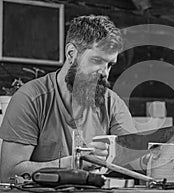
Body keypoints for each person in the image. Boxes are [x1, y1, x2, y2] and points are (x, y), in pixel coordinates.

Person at [0, 15, 137, 182]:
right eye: (97, 60)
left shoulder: (113, 103)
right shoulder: (30, 99)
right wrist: (74, 163)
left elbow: (134, 162)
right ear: (71, 53)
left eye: (109, 64)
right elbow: (8, 174)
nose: (105, 73)